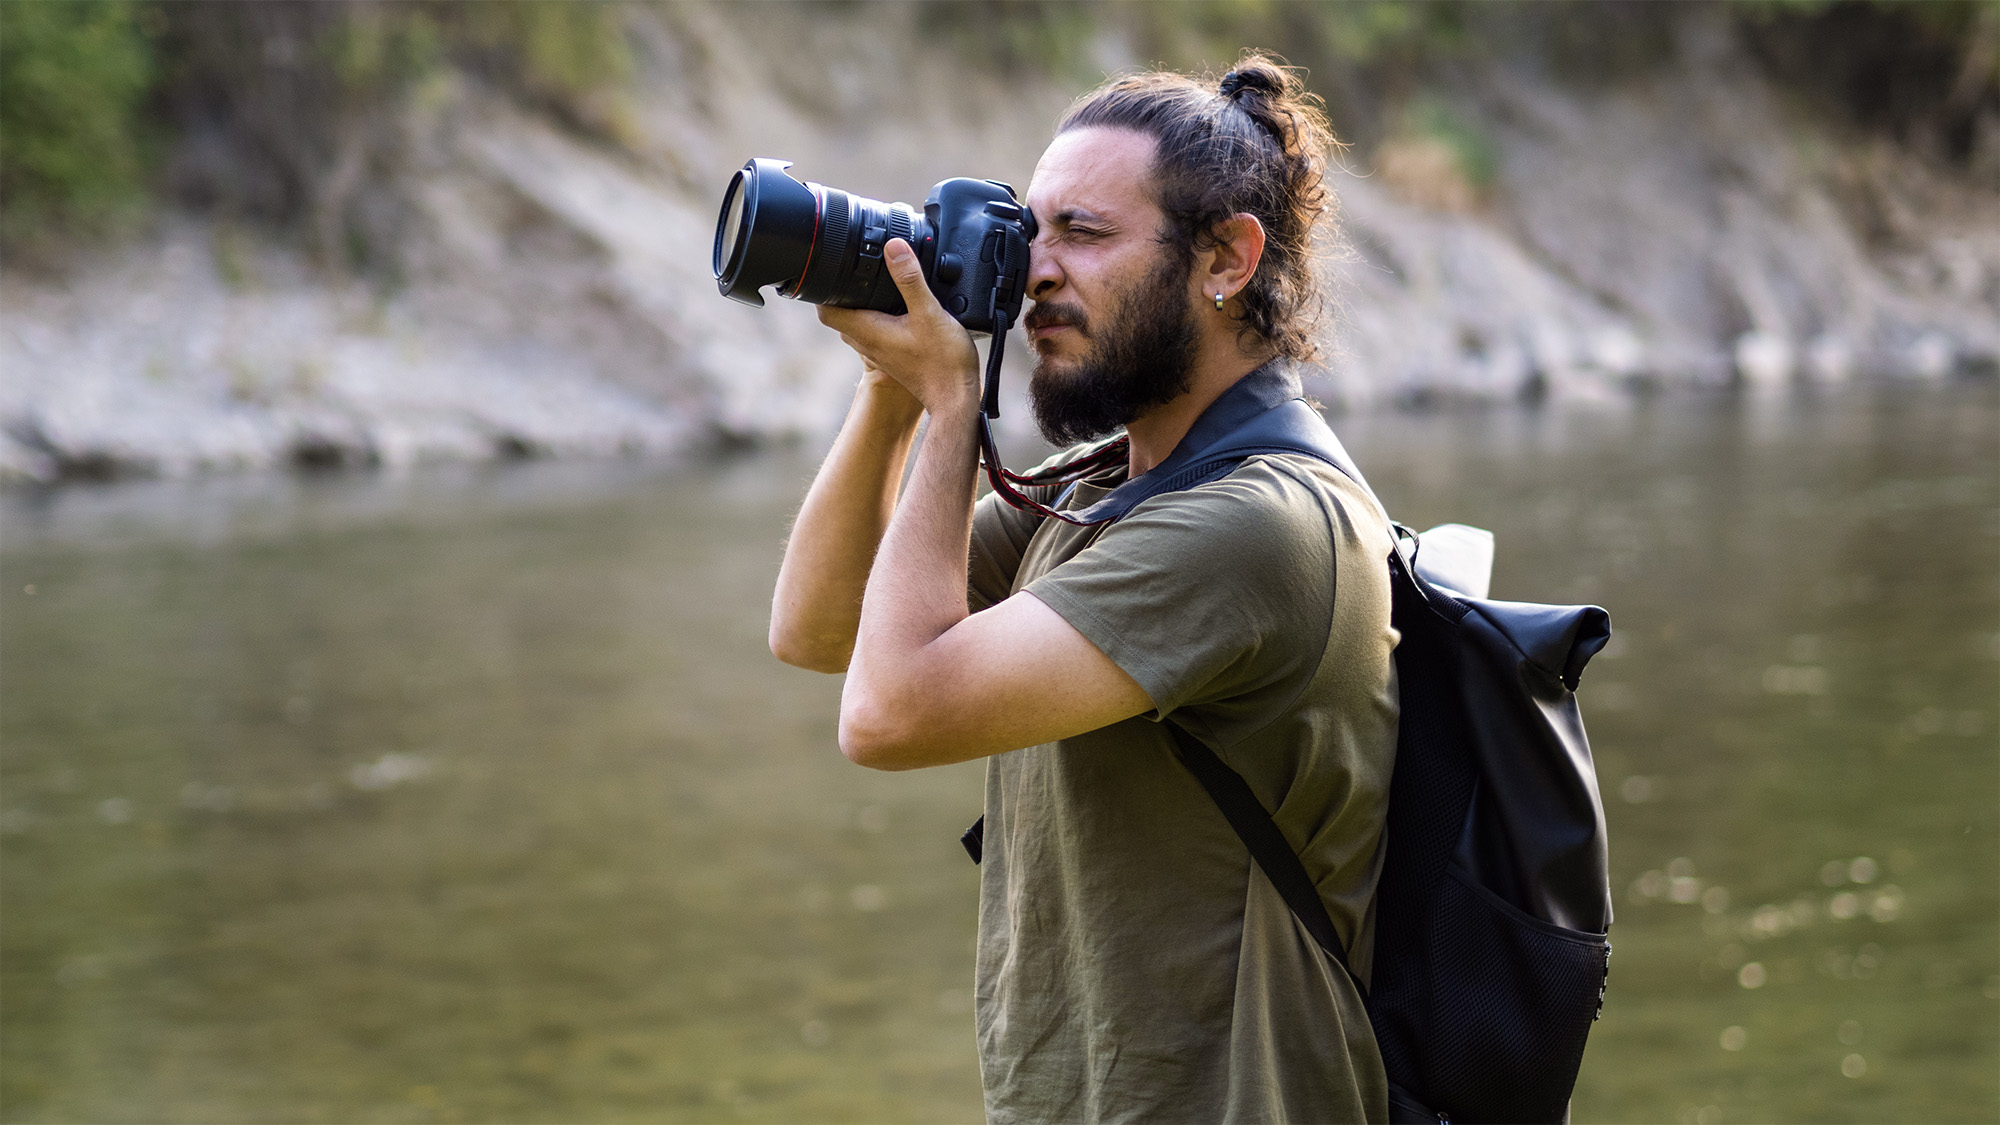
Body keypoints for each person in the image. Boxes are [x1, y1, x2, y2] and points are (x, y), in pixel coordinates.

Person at [769, 57, 1400, 1124]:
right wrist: (892, 392)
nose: (1032, 276)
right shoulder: (1108, 490)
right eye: (1030, 233)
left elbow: (887, 714)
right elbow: (820, 628)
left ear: (1227, 259)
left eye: (1084, 235)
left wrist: (949, 406)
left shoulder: (1255, 526)